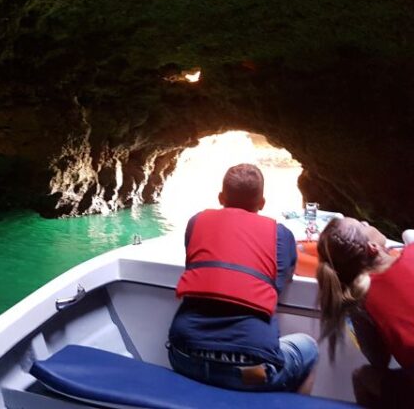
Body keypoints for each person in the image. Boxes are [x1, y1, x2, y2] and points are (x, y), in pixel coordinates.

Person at [167, 163, 318, 392]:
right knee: (310, 348)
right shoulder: (280, 235)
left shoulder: (196, 222)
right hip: (249, 369)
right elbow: (281, 278)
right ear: (262, 203)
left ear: (220, 197)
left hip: (182, 355)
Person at [317, 217, 414, 407]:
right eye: (363, 225)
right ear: (373, 247)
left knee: (363, 377)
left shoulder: (360, 300)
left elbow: (379, 360)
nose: (366, 222)